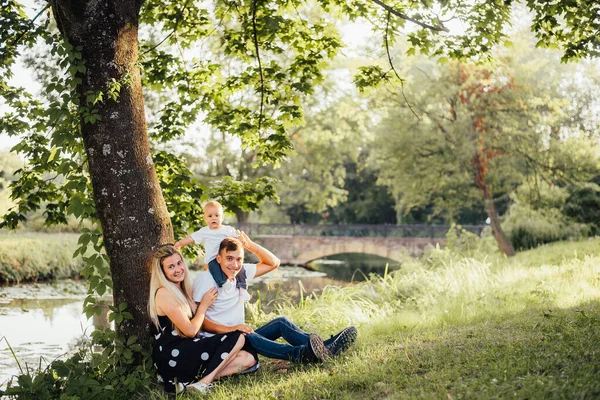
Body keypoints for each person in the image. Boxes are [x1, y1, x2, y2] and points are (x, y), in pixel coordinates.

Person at [192, 234, 357, 364]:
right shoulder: (206, 280)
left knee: (280, 323)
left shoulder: (240, 272)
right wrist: (233, 329)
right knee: (247, 335)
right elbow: (201, 322)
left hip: (239, 334)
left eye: (239, 259)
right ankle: (302, 355)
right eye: (229, 259)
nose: (235, 265)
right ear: (219, 259)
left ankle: (325, 346)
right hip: (218, 342)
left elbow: (273, 262)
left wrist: (250, 245)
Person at [148, 244, 256, 394]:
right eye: (171, 266)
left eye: (179, 263)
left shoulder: (184, 288)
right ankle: (204, 382)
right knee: (238, 338)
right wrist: (204, 306)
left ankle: (189, 382)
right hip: (173, 353)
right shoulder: (164, 293)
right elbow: (191, 331)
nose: (178, 269)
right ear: (162, 272)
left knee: (248, 358)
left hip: (189, 348)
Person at [175, 200, 248, 294]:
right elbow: (191, 238)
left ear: (222, 217)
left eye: (217, 215)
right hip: (212, 258)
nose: (214, 218)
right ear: (205, 218)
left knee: (240, 269)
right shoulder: (204, 231)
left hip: (224, 257)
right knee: (213, 268)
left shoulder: (227, 230)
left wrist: (241, 238)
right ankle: (223, 283)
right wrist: (180, 244)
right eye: (210, 216)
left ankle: (242, 287)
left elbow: (238, 235)